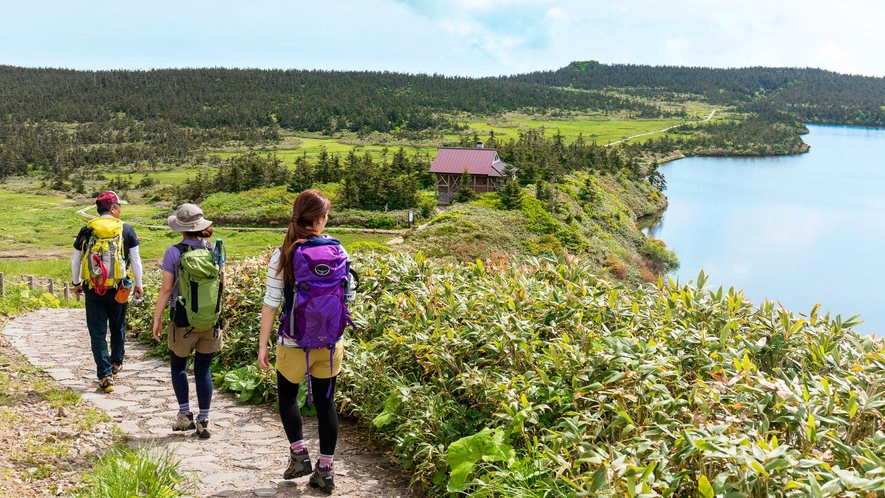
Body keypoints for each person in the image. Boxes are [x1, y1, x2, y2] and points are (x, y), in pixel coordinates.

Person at [258, 189, 350, 494]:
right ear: (322, 219)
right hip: (330, 343)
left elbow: (272, 302)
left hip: (293, 341)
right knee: (326, 403)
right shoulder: (339, 251)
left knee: (287, 398)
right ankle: (326, 471)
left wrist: (263, 345)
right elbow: (348, 297)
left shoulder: (283, 253)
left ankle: (299, 455)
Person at [151, 204, 224, 439]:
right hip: (210, 320)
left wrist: (157, 319)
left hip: (182, 319)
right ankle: (204, 420)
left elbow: (165, 290)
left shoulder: (174, 252)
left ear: (181, 229)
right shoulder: (215, 249)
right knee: (204, 369)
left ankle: (184, 416)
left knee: (179, 367)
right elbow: (222, 285)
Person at [72, 191, 143, 393]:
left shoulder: (87, 230)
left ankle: (104, 375)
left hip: (94, 288)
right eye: (119, 206)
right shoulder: (126, 230)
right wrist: (139, 284)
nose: (120, 209)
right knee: (118, 327)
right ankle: (116, 363)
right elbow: (136, 261)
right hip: (119, 287)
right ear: (113, 209)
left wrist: (76, 282)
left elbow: (76, 260)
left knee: (97, 332)